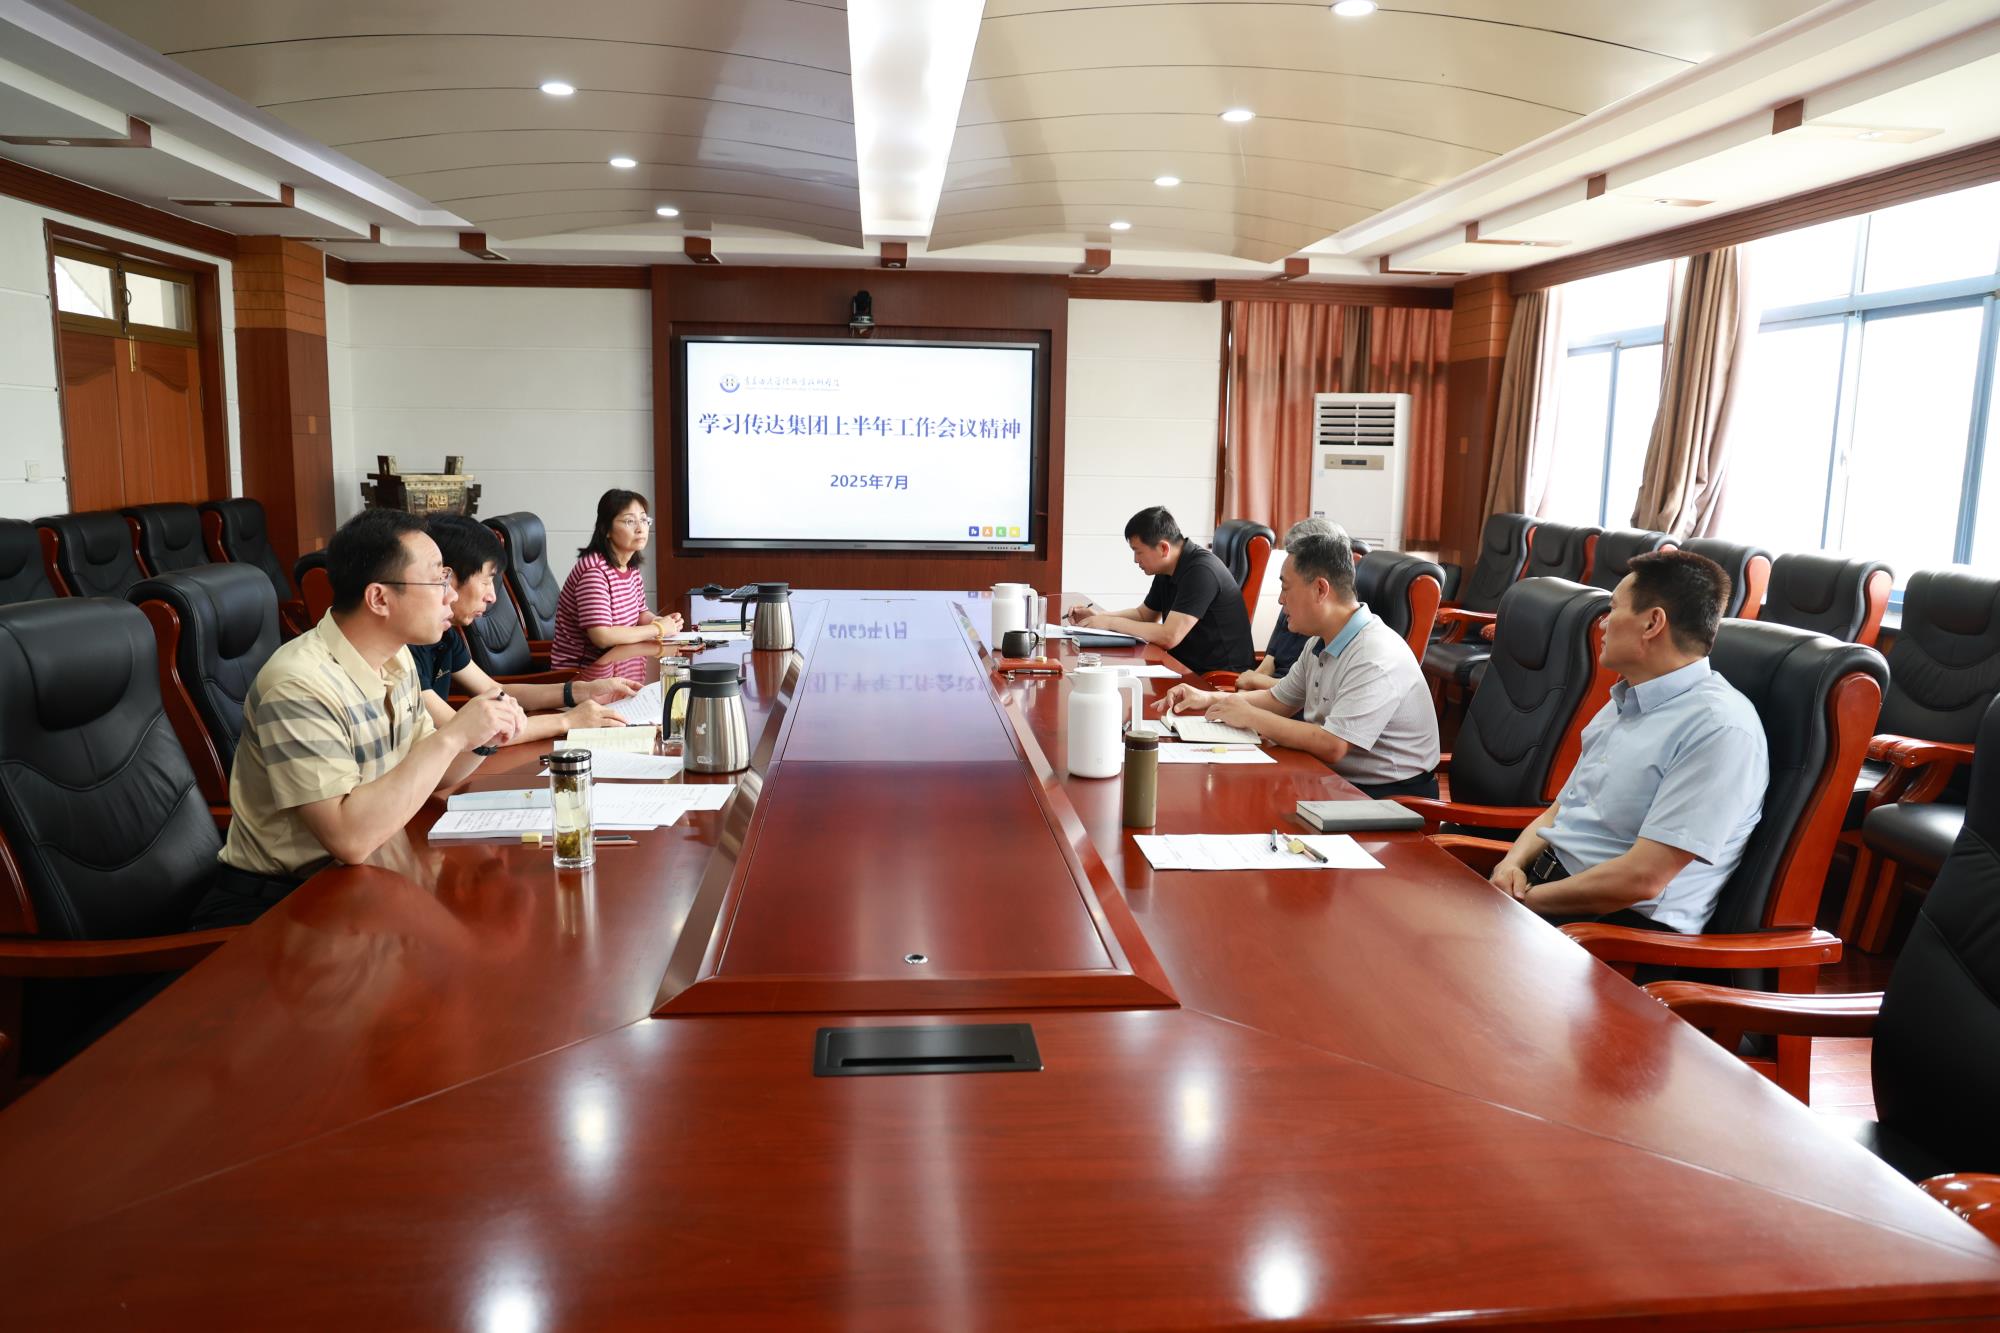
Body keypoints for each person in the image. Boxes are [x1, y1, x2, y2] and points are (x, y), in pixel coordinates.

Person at [191, 508, 528, 929]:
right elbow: (348, 838)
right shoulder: (299, 684)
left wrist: (483, 738)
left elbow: (434, 774)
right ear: (379, 598)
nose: (451, 596)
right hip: (282, 906)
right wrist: (453, 735)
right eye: (437, 580)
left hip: (367, 880)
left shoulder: (397, 659)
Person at [1487, 549, 1769, 933]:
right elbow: (1560, 810)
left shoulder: (1719, 729)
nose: (1603, 623)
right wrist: (1510, 865)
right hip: (1548, 891)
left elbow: (1641, 879)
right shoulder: (1627, 697)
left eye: (1613, 608)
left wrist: (1520, 903)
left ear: (1652, 623)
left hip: (1613, 928)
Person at [1161, 528, 1440, 798]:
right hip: (1333, 779)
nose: (1281, 600)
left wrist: (1250, 716)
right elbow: (1278, 700)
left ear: (1320, 589)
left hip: (1385, 798)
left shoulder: (1374, 654)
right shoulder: (1320, 641)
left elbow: (1333, 745)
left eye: (1286, 587)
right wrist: (1207, 698)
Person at [413, 514, 642, 745]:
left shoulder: (445, 636)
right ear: (447, 578)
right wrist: (567, 721)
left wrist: (582, 691)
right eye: (485, 581)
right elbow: (461, 736)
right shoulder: (407, 647)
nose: (492, 596)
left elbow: (497, 690)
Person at [1064, 506, 1254, 675]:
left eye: (1138, 551)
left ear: (1163, 548)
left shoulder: (1201, 571)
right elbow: (1144, 615)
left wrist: (1110, 622)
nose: (1135, 560)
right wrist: (1100, 617)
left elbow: (1169, 636)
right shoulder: (1168, 568)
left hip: (1216, 678)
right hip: (1183, 667)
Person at [550, 489, 684, 686]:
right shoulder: (594, 571)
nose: (640, 528)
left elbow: (640, 612)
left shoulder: (629, 566)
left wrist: (659, 621)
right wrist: (657, 629)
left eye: (644, 520)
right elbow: (602, 636)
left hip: (618, 665)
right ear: (606, 529)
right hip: (583, 677)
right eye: (630, 521)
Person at [1234, 516, 1341, 691]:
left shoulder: (1328, 622)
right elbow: (1268, 663)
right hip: (1273, 694)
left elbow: (1305, 692)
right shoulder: (1292, 602)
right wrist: (1244, 690)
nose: (1281, 599)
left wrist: (1252, 684)